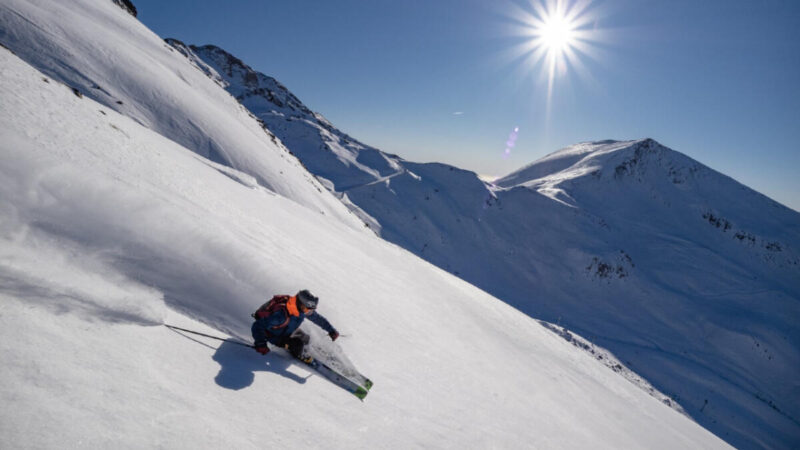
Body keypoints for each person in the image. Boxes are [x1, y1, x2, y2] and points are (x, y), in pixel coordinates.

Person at [251, 289, 339, 363]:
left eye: (311, 310)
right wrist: (261, 344)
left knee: (307, 339)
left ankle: (321, 354)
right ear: (300, 304)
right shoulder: (280, 316)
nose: (308, 312)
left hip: (287, 331)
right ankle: (302, 355)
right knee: (297, 344)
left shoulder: (302, 310)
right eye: (307, 309)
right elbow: (257, 326)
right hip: (275, 337)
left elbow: (317, 318)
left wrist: (330, 330)